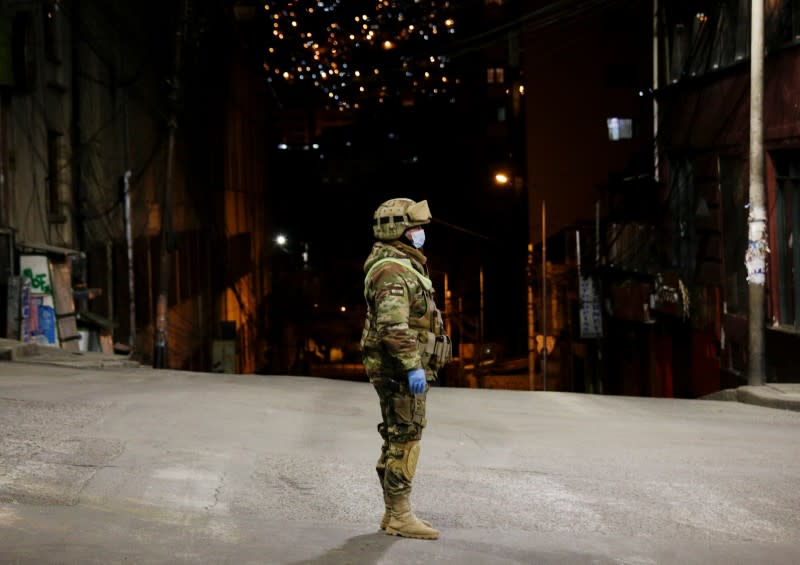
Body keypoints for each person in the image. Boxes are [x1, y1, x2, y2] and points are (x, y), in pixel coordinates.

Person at [360, 197, 452, 540]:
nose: (420, 234)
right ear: (398, 230)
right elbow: (393, 326)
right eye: (415, 228)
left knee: (396, 438)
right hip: (398, 369)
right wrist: (413, 366)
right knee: (406, 440)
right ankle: (400, 515)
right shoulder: (392, 270)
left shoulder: (400, 263)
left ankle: (392, 513)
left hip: (397, 367)